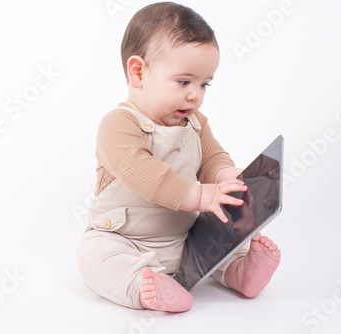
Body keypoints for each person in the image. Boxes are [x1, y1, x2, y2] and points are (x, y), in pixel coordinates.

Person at [77, 2, 280, 312]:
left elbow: (212, 158)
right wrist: (200, 195)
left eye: (204, 84)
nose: (195, 95)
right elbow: (143, 173)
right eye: (184, 82)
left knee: (218, 233)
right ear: (139, 72)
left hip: (183, 239)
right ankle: (144, 286)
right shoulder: (119, 124)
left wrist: (226, 176)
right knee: (93, 255)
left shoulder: (195, 124)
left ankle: (241, 271)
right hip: (125, 238)